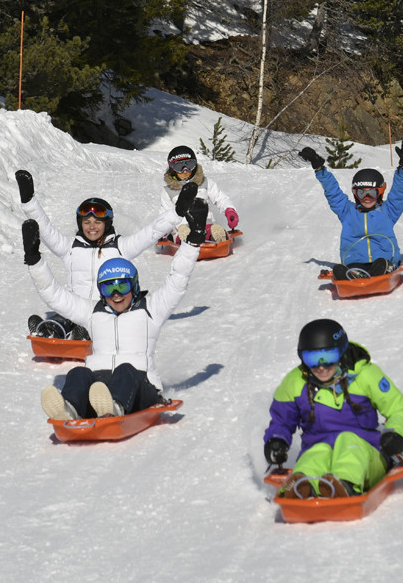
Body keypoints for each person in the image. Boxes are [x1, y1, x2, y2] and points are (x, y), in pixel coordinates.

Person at [23, 197, 208, 420]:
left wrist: (194, 240)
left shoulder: (151, 309)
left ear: (135, 285)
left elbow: (178, 277)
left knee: (125, 370)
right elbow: (53, 294)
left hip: (140, 388)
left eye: (123, 285)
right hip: (98, 391)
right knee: (78, 372)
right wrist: (34, 260)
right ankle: (70, 409)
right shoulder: (93, 312)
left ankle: (115, 407)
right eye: (109, 288)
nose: (116, 293)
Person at [15, 168, 197, 339]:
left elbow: (152, 232)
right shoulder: (69, 247)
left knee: (100, 322)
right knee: (61, 319)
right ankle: (50, 332)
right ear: (80, 224)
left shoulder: (121, 247)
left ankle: (85, 333)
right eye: (86, 222)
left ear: (107, 223)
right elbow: (45, 228)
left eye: (97, 222)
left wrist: (177, 211)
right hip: (74, 308)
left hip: (107, 308)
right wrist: (29, 201)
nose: (92, 227)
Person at [263, 318, 403, 499]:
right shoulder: (295, 382)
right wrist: (276, 440)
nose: (321, 366)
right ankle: (300, 486)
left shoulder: (365, 375)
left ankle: (344, 484)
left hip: (368, 457)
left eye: (328, 358)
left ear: (341, 353)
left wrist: (395, 433)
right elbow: (281, 420)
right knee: (316, 451)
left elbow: (399, 410)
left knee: (348, 441)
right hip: (319, 452)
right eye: (312, 359)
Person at [297, 139, 403, 280]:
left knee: (381, 264)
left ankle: (384, 269)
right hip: (355, 262)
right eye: (361, 193)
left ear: (380, 192)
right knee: (347, 269)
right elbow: (333, 192)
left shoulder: (388, 211)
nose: (366, 197)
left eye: (371, 193)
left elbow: (399, 194)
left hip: (383, 260)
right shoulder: (347, 212)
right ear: (355, 193)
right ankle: (351, 273)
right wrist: (319, 168)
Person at [159, 144, 239, 244]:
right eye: (179, 166)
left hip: (206, 224)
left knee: (213, 229)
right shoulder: (168, 191)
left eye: (189, 165)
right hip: (182, 227)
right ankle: (184, 239)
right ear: (172, 169)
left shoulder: (205, 183)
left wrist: (229, 210)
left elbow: (221, 198)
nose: (185, 170)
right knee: (184, 230)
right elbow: (165, 214)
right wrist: (162, 230)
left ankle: (217, 236)